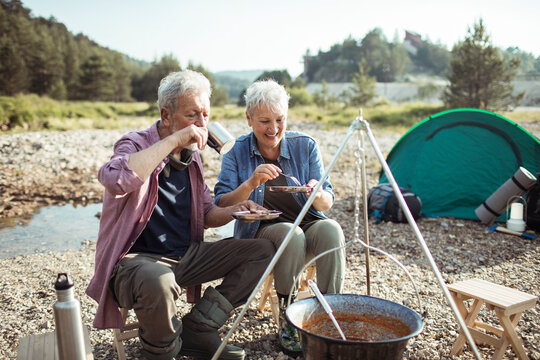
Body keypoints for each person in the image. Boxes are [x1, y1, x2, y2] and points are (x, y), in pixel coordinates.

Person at [85, 70, 275, 360]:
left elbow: (207, 214)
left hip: (184, 257)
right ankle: (162, 349)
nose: (201, 125)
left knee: (263, 251)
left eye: (206, 115)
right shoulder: (135, 144)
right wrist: (173, 141)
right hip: (135, 264)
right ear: (166, 115)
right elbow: (116, 180)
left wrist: (237, 207)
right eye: (192, 115)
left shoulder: (193, 158)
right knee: (158, 280)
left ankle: (198, 329)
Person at [214, 79, 345, 353]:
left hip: (308, 222)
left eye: (279, 119)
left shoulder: (305, 146)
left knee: (332, 229)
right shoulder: (236, 152)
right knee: (290, 232)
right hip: (262, 230)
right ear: (248, 118)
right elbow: (222, 202)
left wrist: (316, 193)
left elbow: (327, 200)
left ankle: (330, 313)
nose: (273, 129)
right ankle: (289, 319)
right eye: (264, 121)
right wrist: (250, 184)